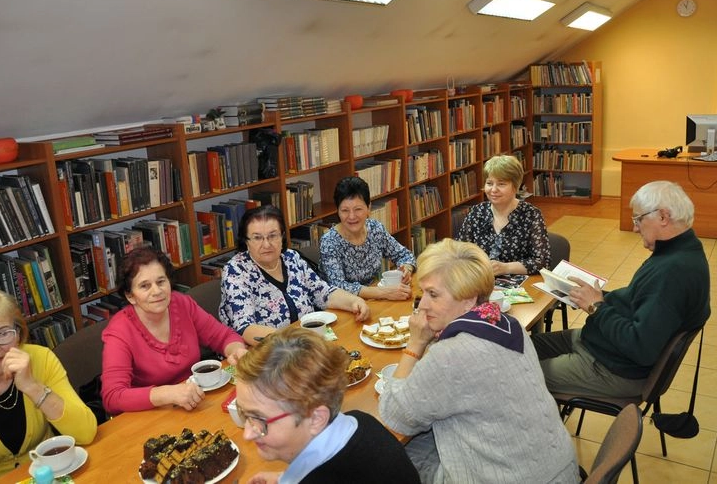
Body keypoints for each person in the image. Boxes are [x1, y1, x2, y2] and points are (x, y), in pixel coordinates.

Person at [378, 239, 578, 483]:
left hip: (508, 478)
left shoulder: (451, 355)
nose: (423, 306)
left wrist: (415, 344)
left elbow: (395, 416)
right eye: (423, 293)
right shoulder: (510, 324)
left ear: (469, 300)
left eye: (433, 294)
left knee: (385, 456)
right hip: (558, 469)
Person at [532, 180, 711, 398]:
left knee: (516, 373)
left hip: (614, 369)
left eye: (638, 219)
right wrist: (597, 297)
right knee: (523, 345)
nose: (635, 228)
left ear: (663, 217)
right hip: (603, 346)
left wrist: (596, 307)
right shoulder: (682, 251)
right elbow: (639, 301)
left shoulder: (673, 272)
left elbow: (641, 347)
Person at [237, 326, 420, 484]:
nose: (247, 434)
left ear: (316, 418)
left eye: (260, 420)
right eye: (243, 413)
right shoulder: (359, 420)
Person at [0, 290, 97, 482]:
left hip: (50, 476)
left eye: (3, 334)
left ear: (18, 333)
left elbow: (85, 433)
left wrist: (33, 387)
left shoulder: (41, 359)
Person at [101, 246, 246, 415]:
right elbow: (112, 397)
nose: (157, 291)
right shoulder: (119, 331)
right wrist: (167, 394)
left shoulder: (182, 303)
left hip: (195, 402)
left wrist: (236, 350)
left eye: (161, 282)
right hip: (150, 415)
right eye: (145, 286)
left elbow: (223, 336)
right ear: (130, 296)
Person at [219, 205, 370, 346]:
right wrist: (294, 340)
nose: (266, 244)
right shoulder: (236, 271)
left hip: (304, 345)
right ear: (246, 241)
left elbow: (323, 293)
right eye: (257, 238)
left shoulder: (291, 258)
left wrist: (355, 301)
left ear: (282, 236)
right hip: (263, 352)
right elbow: (245, 328)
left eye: (273, 236)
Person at [319, 177, 415, 301]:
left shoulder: (375, 229)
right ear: (337, 211)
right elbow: (338, 286)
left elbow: (405, 255)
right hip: (343, 304)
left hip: (373, 300)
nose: (351, 216)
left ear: (368, 207)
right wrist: (383, 292)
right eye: (345, 210)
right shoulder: (329, 242)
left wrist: (406, 269)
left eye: (358, 209)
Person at [456, 155, 550, 280]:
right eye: (489, 183)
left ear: (515, 186)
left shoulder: (531, 215)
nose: (493, 189)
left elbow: (542, 262)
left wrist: (506, 268)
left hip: (518, 285)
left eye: (501, 184)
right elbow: (460, 253)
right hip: (479, 282)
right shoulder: (477, 212)